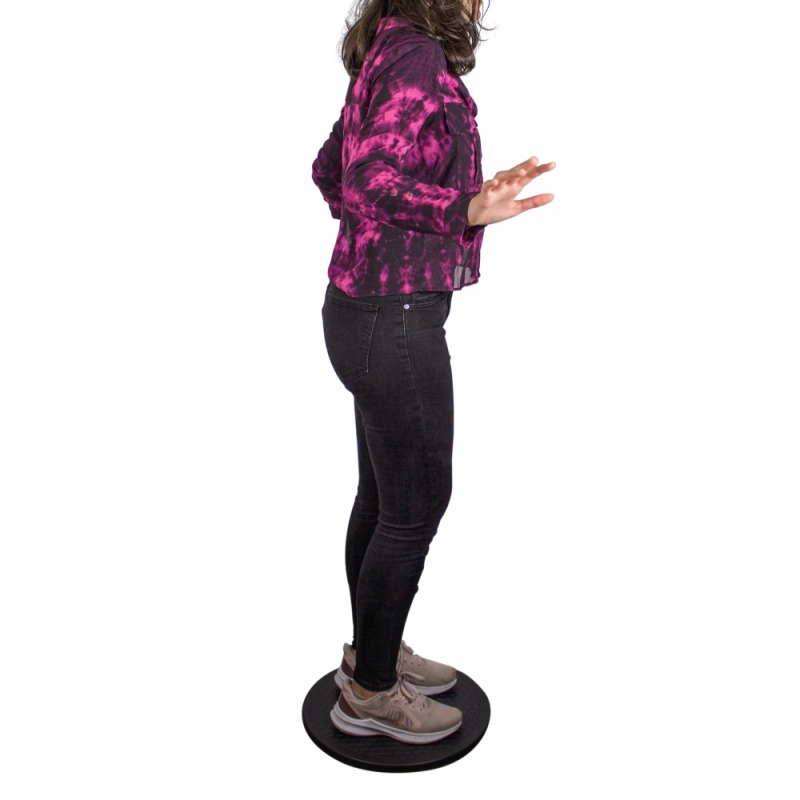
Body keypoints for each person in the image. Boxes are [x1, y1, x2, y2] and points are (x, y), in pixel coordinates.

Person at [311, 0, 555, 745]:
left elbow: (330, 171)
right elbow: (364, 178)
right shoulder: (413, 53)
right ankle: (371, 694)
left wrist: (395, 228)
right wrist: (465, 207)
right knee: (415, 507)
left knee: (385, 499)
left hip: (362, 311)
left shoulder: (388, 46)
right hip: (394, 322)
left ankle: (372, 655)